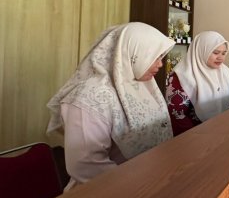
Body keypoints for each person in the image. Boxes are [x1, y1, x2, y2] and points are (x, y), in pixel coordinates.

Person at [47, 22, 175, 189]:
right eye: (155, 57)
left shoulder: (141, 84)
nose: (160, 64)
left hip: (149, 182)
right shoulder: (88, 97)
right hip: (107, 192)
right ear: (133, 53)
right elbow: (86, 165)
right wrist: (142, 183)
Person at [166, 31, 229, 136]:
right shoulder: (182, 76)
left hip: (222, 131)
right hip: (193, 136)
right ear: (201, 51)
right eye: (216, 52)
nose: (220, 57)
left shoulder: (224, 72)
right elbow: (177, 114)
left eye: (224, 53)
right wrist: (198, 137)